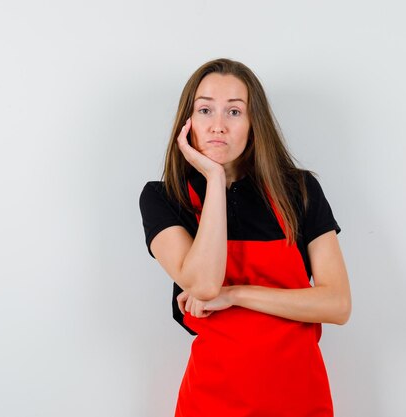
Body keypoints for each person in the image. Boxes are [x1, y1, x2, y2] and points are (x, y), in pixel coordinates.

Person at [139, 58, 351, 417]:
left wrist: (235, 295)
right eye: (205, 109)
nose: (218, 126)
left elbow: (337, 304)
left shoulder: (299, 191)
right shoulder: (164, 198)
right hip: (211, 402)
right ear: (187, 121)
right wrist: (215, 179)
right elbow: (204, 285)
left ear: (254, 124)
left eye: (234, 112)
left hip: (299, 400)